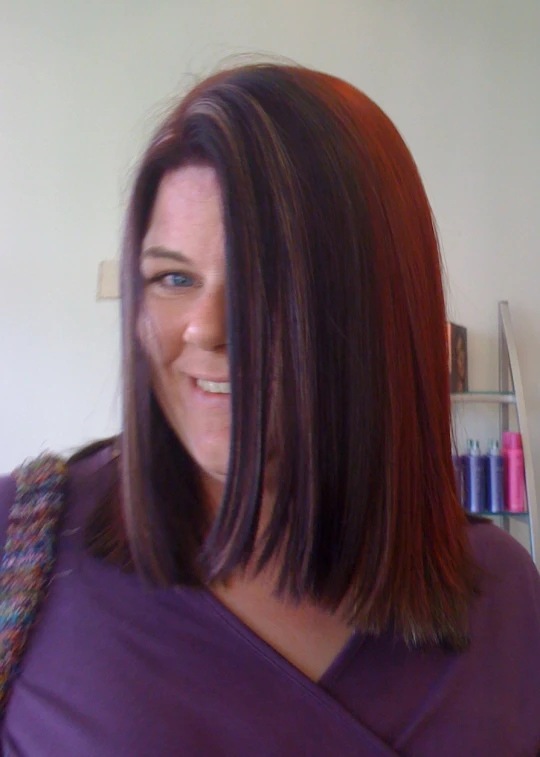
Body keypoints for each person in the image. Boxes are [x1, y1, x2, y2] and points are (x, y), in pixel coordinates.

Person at [1, 62, 539, 756]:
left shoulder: (505, 601)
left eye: (264, 278)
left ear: (376, 308)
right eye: (172, 277)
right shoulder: (24, 545)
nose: (203, 328)